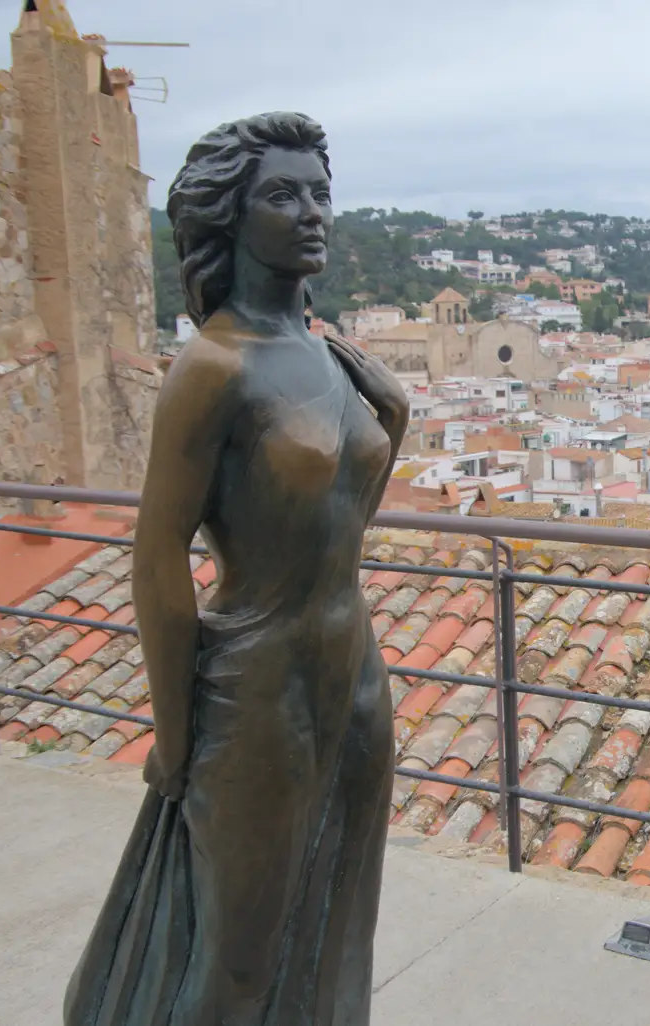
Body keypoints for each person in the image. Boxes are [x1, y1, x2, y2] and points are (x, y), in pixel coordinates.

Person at [64, 112, 408, 1026]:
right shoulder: (211, 367)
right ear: (230, 217)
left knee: (339, 926)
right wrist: (176, 734)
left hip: (356, 674)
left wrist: (397, 414)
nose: (312, 213)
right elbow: (157, 555)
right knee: (241, 959)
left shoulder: (328, 355)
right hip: (257, 685)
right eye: (282, 195)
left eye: (320, 193)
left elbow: (339, 523)